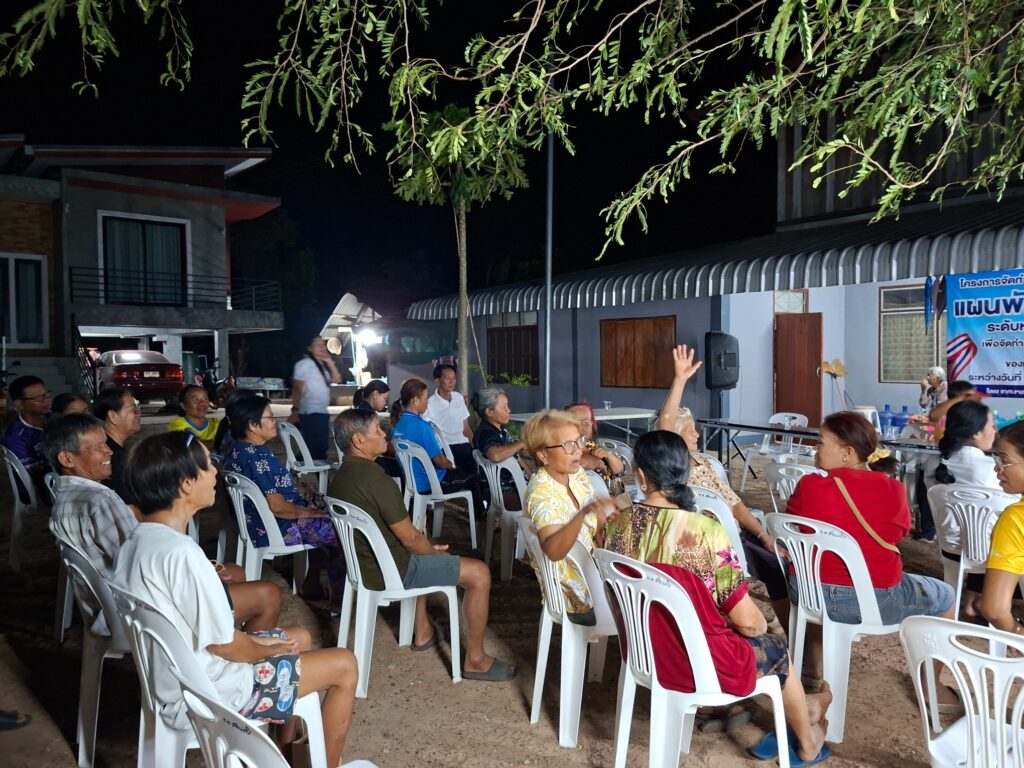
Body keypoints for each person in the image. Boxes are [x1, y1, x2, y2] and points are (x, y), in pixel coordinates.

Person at [111, 432, 357, 767]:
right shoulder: (182, 554)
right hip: (212, 693)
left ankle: (282, 752)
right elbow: (225, 645)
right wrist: (265, 650)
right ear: (186, 484)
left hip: (174, 679)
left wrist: (267, 645)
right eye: (207, 465)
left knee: (298, 636)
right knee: (344, 664)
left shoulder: (136, 541)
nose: (216, 471)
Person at [603, 431, 832, 762]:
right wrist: (753, 625)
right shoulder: (704, 530)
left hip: (645, 653)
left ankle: (776, 710)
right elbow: (751, 625)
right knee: (776, 647)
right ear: (686, 473)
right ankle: (809, 743)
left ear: (640, 475)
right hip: (701, 663)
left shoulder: (616, 526)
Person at [45, 413, 282, 634]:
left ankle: (220, 635)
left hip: (110, 604)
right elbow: (142, 565)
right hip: (139, 612)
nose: (109, 451)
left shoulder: (64, 495)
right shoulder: (101, 501)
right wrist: (204, 572)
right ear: (67, 458)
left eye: (106, 444)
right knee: (267, 593)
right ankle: (221, 651)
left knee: (233, 572)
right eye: (97, 447)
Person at [329, 409, 516, 681]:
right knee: (479, 573)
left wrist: (426, 549)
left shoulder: (341, 477)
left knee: (426, 546)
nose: (384, 433)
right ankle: (476, 660)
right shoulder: (377, 481)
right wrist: (432, 554)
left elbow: (405, 538)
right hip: (394, 570)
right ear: (358, 440)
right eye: (377, 429)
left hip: (365, 567)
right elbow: (410, 539)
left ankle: (423, 631)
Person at [786, 411, 957, 705]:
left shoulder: (809, 486)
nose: (816, 448)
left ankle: (811, 670)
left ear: (847, 453)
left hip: (807, 594)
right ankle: (933, 689)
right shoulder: (892, 488)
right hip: (873, 601)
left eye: (821, 442)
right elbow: (898, 533)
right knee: (946, 596)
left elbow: (793, 524)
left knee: (819, 570)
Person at [224, 393, 345, 603]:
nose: (275, 422)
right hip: (277, 526)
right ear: (252, 425)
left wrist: (303, 492)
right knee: (341, 530)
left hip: (257, 523)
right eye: (270, 418)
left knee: (325, 518)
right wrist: (312, 513)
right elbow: (278, 507)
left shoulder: (239, 450)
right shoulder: (257, 457)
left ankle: (312, 581)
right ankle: (340, 598)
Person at [523, 409, 618, 625]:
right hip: (577, 596)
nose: (577, 450)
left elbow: (596, 525)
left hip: (594, 572)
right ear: (543, 455)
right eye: (568, 445)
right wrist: (583, 513)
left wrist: (605, 524)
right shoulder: (541, 493)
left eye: (579, 441)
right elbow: (554, 551)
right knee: (646, 601)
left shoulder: (576, 476)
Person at [925, 400, 1008, 618]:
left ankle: (972, 600)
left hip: (951, 551)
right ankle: (986, 602)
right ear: (975, 433)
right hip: (995, 554)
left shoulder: (933, 464)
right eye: (992, 425)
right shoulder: (996, 470)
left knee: (978, 533)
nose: (996, 431)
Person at [391, 378, 485, 519]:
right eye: (425, 398)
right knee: (474, 476)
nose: (427, 402)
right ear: (415, 400)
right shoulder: (423, 427)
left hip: (412, 483)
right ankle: (481, 518)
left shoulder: (397, 425)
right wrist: (450, 465)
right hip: (432, 483)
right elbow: (440, 462)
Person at [979, 423, 1024, 636]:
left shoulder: (1016, 518)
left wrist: (1017, 631)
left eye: (1004, 460)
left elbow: (994, 609)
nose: (997, 468)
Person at [471, 387, 531, 507]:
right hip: (506, 492)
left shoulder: (500, 430)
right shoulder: (485, 433)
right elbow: (495, 455)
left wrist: (531, 476)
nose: (508, 410)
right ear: (489, 412)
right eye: (503, 407)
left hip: (514, 487)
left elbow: (516, 457)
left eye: (507, 406)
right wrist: (520, 444)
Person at [288, 336, 340, 461]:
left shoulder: (321, 365)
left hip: (321, 412)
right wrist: (295, 410)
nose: (322, 347)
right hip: (310, 412)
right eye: (318, 345)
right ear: (309, 348)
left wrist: (329, 362)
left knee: (319, 448)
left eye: (323, 344)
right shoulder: (304, 364)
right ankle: (300, 466)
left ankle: (298, 465)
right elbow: (297, 388)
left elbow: (336, 379)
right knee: (316, 449)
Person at [91, 388, 142, 503]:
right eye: (133, 409)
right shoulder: (108, 456)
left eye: (138, 408)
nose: (139, 414)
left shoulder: (117, 449)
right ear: (113, 416)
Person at [424, 363, 476, 473]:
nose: (451, 381)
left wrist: (475, 447)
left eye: (454, 378)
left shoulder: (458, 397)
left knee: (478, 472)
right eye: (447, 378)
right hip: (446, 448)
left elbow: (466, 428)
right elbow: (428, 435)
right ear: (437, 381)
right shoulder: (429, 404)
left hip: (464, 445)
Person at [1, 375, 51, 478]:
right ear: (20, 404)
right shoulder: (15, 438)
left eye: (46, 394)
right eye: (38, 397)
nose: (46, 400)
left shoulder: (53, 418)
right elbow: (34, 476)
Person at [565, 400, 624, 486]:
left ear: (592, 425)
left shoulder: (591, 446)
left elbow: (619, 471)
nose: (580, 428)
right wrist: (593, 462)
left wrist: (608, 456)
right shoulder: (559, 447)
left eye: (585, 423)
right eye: (574, 423)